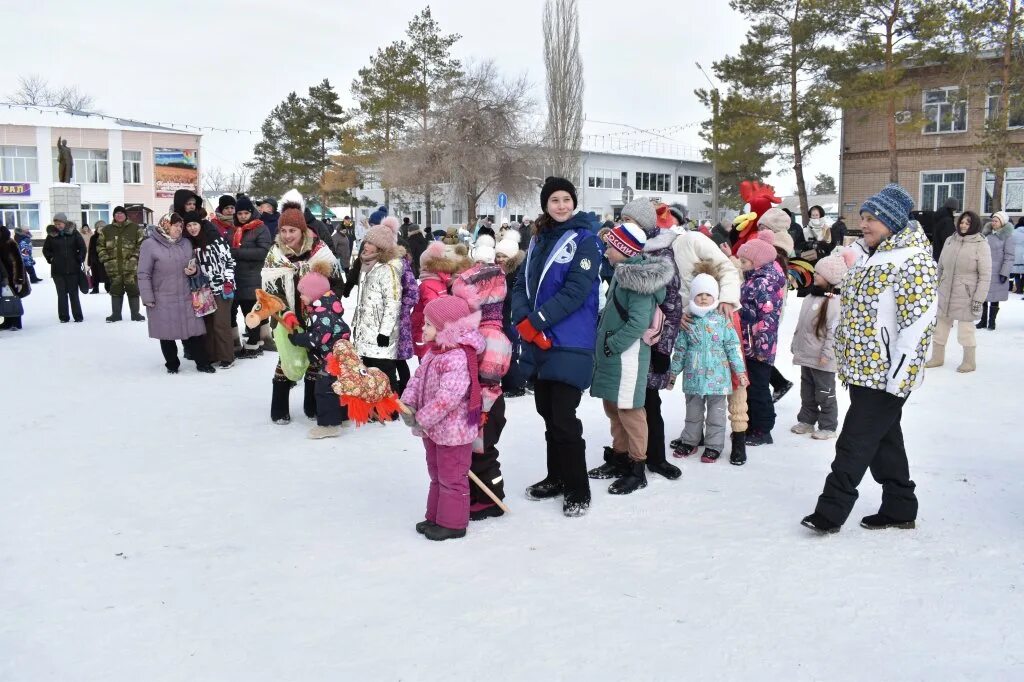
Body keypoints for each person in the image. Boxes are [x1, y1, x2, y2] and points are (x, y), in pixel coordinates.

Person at [802, 183, 937, 534]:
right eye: (862, 217)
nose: (864, 224)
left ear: (892, 221)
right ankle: (900, 506)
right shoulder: (871, 255)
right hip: (863, 370)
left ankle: (829, 513)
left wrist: (899, 376)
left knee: (854, 442)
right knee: (884, 442)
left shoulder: (914, 261)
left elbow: (918, 324)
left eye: (872, 218)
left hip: (886, 374)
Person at [510, 177, 602, 517]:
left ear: (573, 202)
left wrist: (536, 321)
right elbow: (521, 283)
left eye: (566, 199)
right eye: (554, 200)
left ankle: (578, 487)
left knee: (564, 416)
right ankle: (556, 477)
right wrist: (522, 316)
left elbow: (576, 292)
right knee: (547, 411)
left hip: (570, 339)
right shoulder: (537, 239)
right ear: (546, 205)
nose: (561, 205)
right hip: (538, 340)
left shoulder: (586, 240)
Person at [590, 197, 684, 482]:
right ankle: (620, 457)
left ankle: (639, 463)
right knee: (616, 407)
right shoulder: (623, 271)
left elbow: (642, 318)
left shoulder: (644, 271)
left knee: (634, 408)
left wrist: (615, 343)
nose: (606, 249)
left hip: (636, 350)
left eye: (628, 221)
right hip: (618, 353)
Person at [401, 295, 485, 542]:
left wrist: (422, 418)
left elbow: (448, 397)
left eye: (428, 324)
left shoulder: (457, 357)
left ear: (446, 328)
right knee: (437, 474)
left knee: (452, 478)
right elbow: (417, 380)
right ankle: (435, 517)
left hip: (453, 432)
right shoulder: (433, 353)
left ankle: (453, 523)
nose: (423, 328)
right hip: (434, 430)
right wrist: (408, 403)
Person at [262, 192, 340, 423]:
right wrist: (284, 312)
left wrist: (323, 307)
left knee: (316, 362)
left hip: (316, 318)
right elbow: (269, 289)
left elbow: (336, 283)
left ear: (303, 230)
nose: (287, 236)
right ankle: (279, 409)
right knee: (286, 362)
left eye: (292, 231)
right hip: (286, 317)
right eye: (283, 231)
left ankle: (312, 405)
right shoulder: (275, 254)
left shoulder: (320, 251)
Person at [451, 246, 513, 519]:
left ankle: (492, 498)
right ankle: (477, 494)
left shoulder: (492, 335)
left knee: (484, 454)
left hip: (486, 408)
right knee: (474, 455)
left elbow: (489, 376)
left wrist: (481, 410)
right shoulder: (477, 331)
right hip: (476, 406)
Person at [669, 267, 748, 462]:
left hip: (718, 380)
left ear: (715, 297)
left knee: (716, 416)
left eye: (708, 294)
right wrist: (673, 374)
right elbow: (680, 350)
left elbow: (733, 348)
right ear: (693, 297)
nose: (703, 298)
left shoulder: (722, 321)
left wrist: (740, 372)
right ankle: (690, 441)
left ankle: (714, 446)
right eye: (699, 295)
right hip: (693, 378)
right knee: (693, 414)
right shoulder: (688, 322)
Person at [137, 214, 215, 374]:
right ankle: (172, 364)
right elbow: (143, 273)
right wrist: (147, 297)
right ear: (165, 224)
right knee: (166, 334)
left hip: (186, 295)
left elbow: (196, 265)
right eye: (175, 225)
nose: (179, 229)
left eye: (181, 226)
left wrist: (194, 271)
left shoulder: (186, 243)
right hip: (162, 297)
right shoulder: (149, 245)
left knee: (194, 332)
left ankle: (202, 363)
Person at [790, 251, 854, 440]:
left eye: (819, 273)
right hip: (807, 354)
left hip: (822, 357)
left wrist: (828, 353)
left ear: (830, 278)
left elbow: (834, 331)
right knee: (807, 390)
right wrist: (795, 343)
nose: (815, 275)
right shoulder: (811, 297)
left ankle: (828, 425)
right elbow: (801, 325)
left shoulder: (834, 302)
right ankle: (807, 420)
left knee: (825, 392)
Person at [287, 268, 351, 439]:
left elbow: (317, 338)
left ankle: (329, 425)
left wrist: (298, 339)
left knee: (325, 389)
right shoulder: (326, 307)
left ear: (314, 294)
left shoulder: (323, 314)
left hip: (333, 359)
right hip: (338, 356)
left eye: (303, 293)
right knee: (339, 387)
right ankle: (343, 416)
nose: (300, 296)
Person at [737, 231, 786, 447]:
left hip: (759, 346)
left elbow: (767, 320)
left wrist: (760, 347)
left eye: (744, 261)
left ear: (757, 262)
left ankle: (763, 428)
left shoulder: (762, 283)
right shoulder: (755, 279)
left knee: (758, 389)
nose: (740, 264)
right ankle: (752, 425)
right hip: (750, 343)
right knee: (752, 387)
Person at [925, 211, 991, 373]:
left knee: (965, 330)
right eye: (962, 222)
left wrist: (978, 299)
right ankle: (937, 357)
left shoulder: (981, 244)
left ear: (974, 225)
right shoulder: (950, 240)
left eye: (967, 223)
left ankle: (969, 361)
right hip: (945, 291)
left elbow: (985, 275)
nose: (963, 225)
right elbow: (940, 267)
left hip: (966, 294)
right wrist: (936, 287)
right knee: (939, 327)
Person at [351, 218, 403, 394]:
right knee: (368, 371)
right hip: (364, 331)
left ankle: (390, 408)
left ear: (380, 248)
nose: (366, 245)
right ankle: (373, 406)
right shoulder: (366, 265)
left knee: (384, 372)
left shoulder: (388, 270)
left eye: (371, 243)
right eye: (366, 241)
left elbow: (393, 302)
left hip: (380, 332)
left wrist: (385, 332)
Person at [183, 213, 236, 369]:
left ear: (201, 224)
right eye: (189, 226)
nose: (192, 228)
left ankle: (227, 357)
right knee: (208, 324)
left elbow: (230, 262)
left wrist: (228, 281)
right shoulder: (189, 244)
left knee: (221, 323)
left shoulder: (216, 241)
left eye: (195, 224)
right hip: (203, 290)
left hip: (222, 288)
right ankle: (212, 355)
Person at [230, 196, 272, 358]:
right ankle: (250, 343)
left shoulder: (260, 228)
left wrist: (238, 253)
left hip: (253, 276)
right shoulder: (234, 228)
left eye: (245, 213)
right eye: (239, 213)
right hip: (236, 278)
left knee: (251, 313)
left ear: (251, 212)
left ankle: (253, 345)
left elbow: (263, 251)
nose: (242, 216)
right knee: (240, 312)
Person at [97, 206, 145, 323]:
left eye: (121, 213)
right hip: (114, 268)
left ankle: (136, 314)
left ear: (125, 215)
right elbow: (99, 246)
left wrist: (135, 258)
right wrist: (106, 260)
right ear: (113, 216)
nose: (119, 215)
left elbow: (142, 244)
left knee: (133, 290)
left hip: (131, 267)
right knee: (115, 290)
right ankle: (116, 315)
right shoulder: (106, 230)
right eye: (116, 213)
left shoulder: (135, 228)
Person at [495, 236, 527, 397]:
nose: (500, 259)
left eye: (504, 256)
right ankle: (511, 382)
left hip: (513, 316)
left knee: (512, 350)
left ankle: (515, 384)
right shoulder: (502, 271)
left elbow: (515, 296)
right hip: (504, 315)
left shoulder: (516, 273)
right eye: (498, 255)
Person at [42, 213, 86, 323]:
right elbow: (46, 250)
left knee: (73, 294)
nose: (58, 226)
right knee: (61, 294)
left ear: (64, 223)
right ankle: (63, 317)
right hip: (58, 270)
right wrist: (51, 258)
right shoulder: (51, 235)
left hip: (73, 269)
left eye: (60, 223)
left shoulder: (74, 233)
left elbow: (82, 247)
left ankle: (78, 316)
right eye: (56, 224)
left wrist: (79, 257)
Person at [978, 210, 1014, 330]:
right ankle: (983, 321)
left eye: (996, 220)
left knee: (994, 297)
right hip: (985, 269)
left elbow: (1009, 256)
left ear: (1002, 222)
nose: (993, 222)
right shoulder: (986, 235)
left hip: (998, 270)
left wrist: (1004, 272)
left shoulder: (1007, 236)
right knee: (983, 295)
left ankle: (991, 322)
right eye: (993, 220)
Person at [0, 224, 30, 330]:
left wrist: (19, 280)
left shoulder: (9, 242)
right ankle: (8, 321)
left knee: (14, 298)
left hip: (13, 275)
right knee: (5, 298)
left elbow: (18, 261)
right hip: (3, 276)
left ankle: (16, 322)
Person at [931, 197, 959, 262]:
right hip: (945, 255)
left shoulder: (938, 217)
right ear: (953, 209)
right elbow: (949, 239)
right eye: (955, 210)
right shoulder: (947, 221)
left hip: (937, 252)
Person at [86, 220, 109, 293]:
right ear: (96, 228)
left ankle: (108, 288)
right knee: (95, 275)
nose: (101, 228)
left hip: (105, 259)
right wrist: (89, 261)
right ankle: (95, 288)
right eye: (99, 227)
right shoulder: (93, 237)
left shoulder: (108, 237)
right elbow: (90, 249)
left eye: (103, 227)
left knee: (106, 275)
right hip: (94, 260)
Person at [1012, 215, 1024, 296]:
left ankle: (1018, 289)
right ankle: (1021, 288)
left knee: (1016, 273)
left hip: (1015, 253)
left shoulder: (1013, 232)